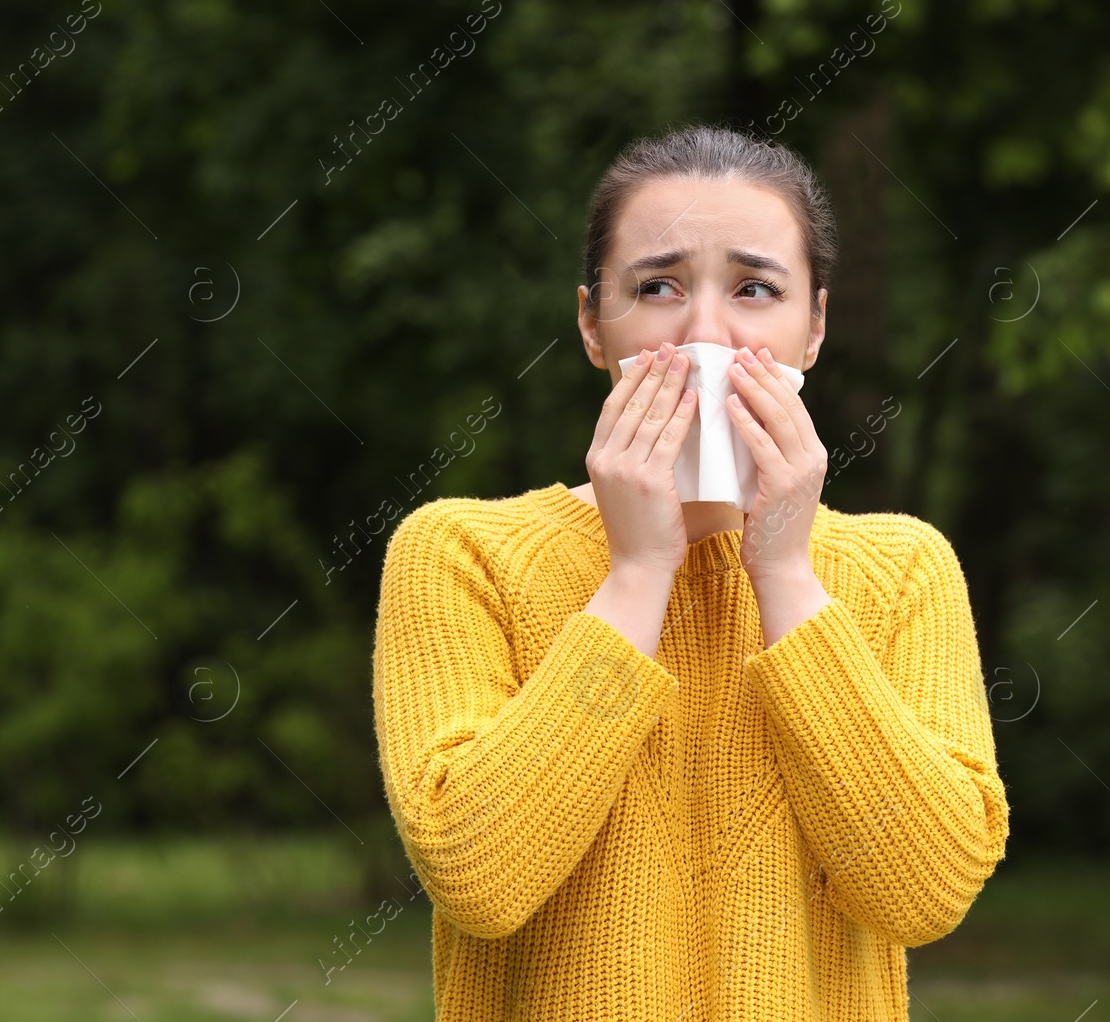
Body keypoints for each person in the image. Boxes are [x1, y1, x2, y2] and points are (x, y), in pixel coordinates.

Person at [370, 123, 1009, 1021]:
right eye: (658, 287)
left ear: (814, 326)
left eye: (754, 288)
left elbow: (926, 890)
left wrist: (784, 568)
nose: (705, 332)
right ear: (594, 324)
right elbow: (479, 876)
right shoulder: (461, 553)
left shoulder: (903, 570)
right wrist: (636, 570)